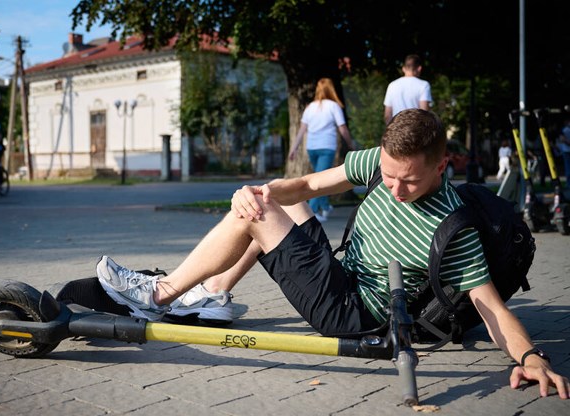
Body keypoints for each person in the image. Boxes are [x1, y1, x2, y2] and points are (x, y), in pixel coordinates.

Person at [96, 109, 569, 399]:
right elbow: (306, 184)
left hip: (351, 314)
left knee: (257, 215)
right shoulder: (379, 162)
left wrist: (529, 358)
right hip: (344, 273)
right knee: (272, 200)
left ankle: (159, 294)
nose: (395, 188)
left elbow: (491, 308)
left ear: (442, 165)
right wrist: (260, 188)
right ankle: (214, 292)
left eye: (410, 180)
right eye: (388, 174)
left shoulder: (453, 226)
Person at [288, 78, 357, 222]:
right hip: (326, 147)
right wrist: (351, 144)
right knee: (318, 182)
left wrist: (293, 149)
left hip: (312, 148)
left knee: (319, 178)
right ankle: (312, 213)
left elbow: (301, 130)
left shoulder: (309, 107)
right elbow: (342, 128)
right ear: (331, 89)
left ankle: (325, 206)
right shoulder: (334, 106)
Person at [383, 55, 432, 125]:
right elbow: (424, 113)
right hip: (415, 130)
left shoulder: (392, 85)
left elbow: (387, 115)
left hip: (396, 130)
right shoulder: (424, 85)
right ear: (419, 68)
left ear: (403, 69)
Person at [559, 118, 570, 189]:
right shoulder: (565, 130)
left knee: (568, 168)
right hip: (566, 151)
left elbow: (562, 139)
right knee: (568, 168)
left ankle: (568, 183)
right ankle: (568, 184)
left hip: (566, 150)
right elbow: (562, 139)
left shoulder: (565, 130)